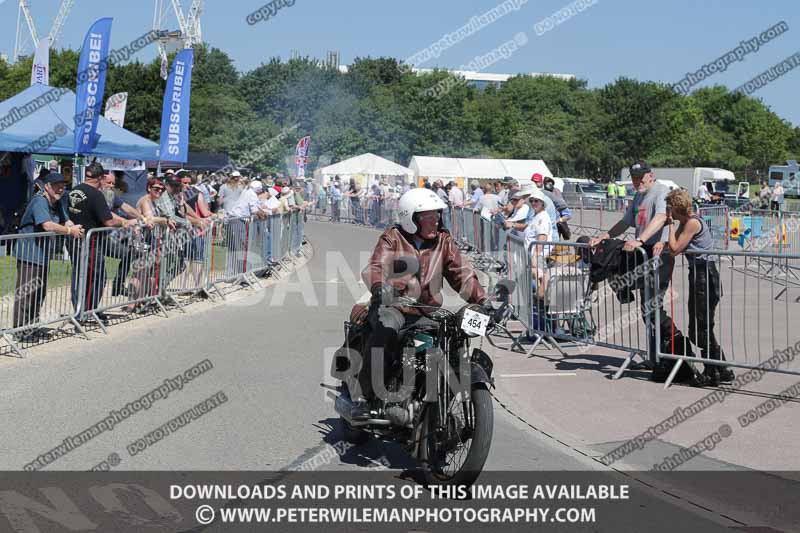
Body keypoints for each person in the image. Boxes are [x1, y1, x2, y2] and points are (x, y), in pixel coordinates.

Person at [348, 188, 489, 419]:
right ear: (411, 218)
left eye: (437, 215)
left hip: (427, 309)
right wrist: (379, 287)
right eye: (428, 216)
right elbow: (376, 267)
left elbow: (460, 273)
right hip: (394, 305)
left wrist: (483, 300)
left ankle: (429, 394)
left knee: (452, 337)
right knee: (387, 331)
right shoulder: (393, 237)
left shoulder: (443, 241)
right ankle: (364, 396)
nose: (435, 221)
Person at [588, 161, 680, 363]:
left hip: (658, 252)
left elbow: (661, 217)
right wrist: (606, 235)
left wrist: (641, 239)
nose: (637, 181)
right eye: (634, 177)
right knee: (646, 309)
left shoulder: (661, 192)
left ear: (651, 175)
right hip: (643, 251)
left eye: (640, 177)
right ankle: (656, 357)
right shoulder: (638, 195)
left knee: (653, 308)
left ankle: (677, 350)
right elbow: (625, 222)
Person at [665, 189, 734, 386]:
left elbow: (675, 249)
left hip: (705, 275)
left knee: (702, 326)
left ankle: (712, 372)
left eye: (670, 209)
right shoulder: (685, 222)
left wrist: (669, 226)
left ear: (677, 208)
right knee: (698, 327)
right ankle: (722, 368)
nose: (669, 213)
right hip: (698, 274)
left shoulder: (693, 223)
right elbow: (673, 245)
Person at [13, 173, 84, 339]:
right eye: (56, 185)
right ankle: (19, 331)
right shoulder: (40, 201)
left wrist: (76, 228)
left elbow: (67, 221)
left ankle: (31, 327)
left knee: (39, 293)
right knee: (26, 293)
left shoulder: (57, 202)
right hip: (29, 254)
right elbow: (47, 225)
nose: (60, 188)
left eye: (63, 185)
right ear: (47, 186)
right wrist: (69, 231)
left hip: (42, 254)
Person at [67, 163, 137, 322]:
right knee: (96, 276)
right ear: (100, 178)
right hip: (89, 241)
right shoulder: (96, 194)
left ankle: (83, 310)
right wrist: (125, 223)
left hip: (74, 239)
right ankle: (86, 311)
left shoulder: (74, 190)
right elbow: (109, 221)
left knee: (79, 275)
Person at [525, 188, 555, 300]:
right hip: (534, 254)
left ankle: (542, 306)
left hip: (538, 255)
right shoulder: (536, 215)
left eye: (536, 201)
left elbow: (542, 237)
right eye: (532, 200)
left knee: (540, 282)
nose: (533, 203)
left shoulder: (543, 217)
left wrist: (535, 255)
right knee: (537, 280)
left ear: (542, 203)